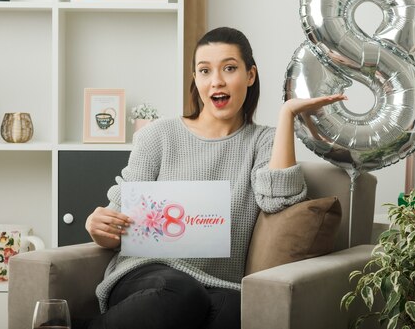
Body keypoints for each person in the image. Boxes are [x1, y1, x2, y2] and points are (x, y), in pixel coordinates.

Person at [84, 27, 346, 329]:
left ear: (250, 75)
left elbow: (279, 201)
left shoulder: (263, 142)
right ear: (196, 80)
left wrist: (286, 114)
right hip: (146, 275)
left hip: (220, 285)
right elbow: (118, 215)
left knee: (236, 313)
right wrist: (98, 226)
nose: (217, 81)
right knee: (181, 292)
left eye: (229, 68)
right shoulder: (158, 136)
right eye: (204, 71)